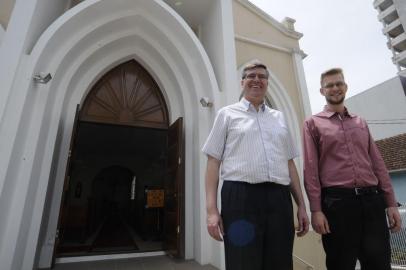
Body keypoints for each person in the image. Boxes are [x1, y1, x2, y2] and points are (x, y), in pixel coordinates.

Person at [202, 62, 309, 270]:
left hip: (279, 199)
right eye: (251, 75)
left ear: (267, 83)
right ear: (242, 82)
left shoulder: (279, 118)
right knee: (243, 263)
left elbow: (289, 163)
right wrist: (211, 211)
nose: (257, 79)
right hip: (240, 199)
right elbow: (213, 162)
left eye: (262, 76)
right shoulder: (226, 114)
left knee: (280, 262)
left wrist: (302, 206)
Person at [303, 68, 402, 270]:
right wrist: (316, 210)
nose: (335, 88)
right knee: (341, 264)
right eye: (329, 85)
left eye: (339, 83)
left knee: (380, 264)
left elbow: (378, 164)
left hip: (372, 202)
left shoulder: (360, 122)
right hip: (338, 205)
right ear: (322, 91)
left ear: (345, 87)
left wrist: (390, 203)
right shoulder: (312, 123)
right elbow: (311, 170)